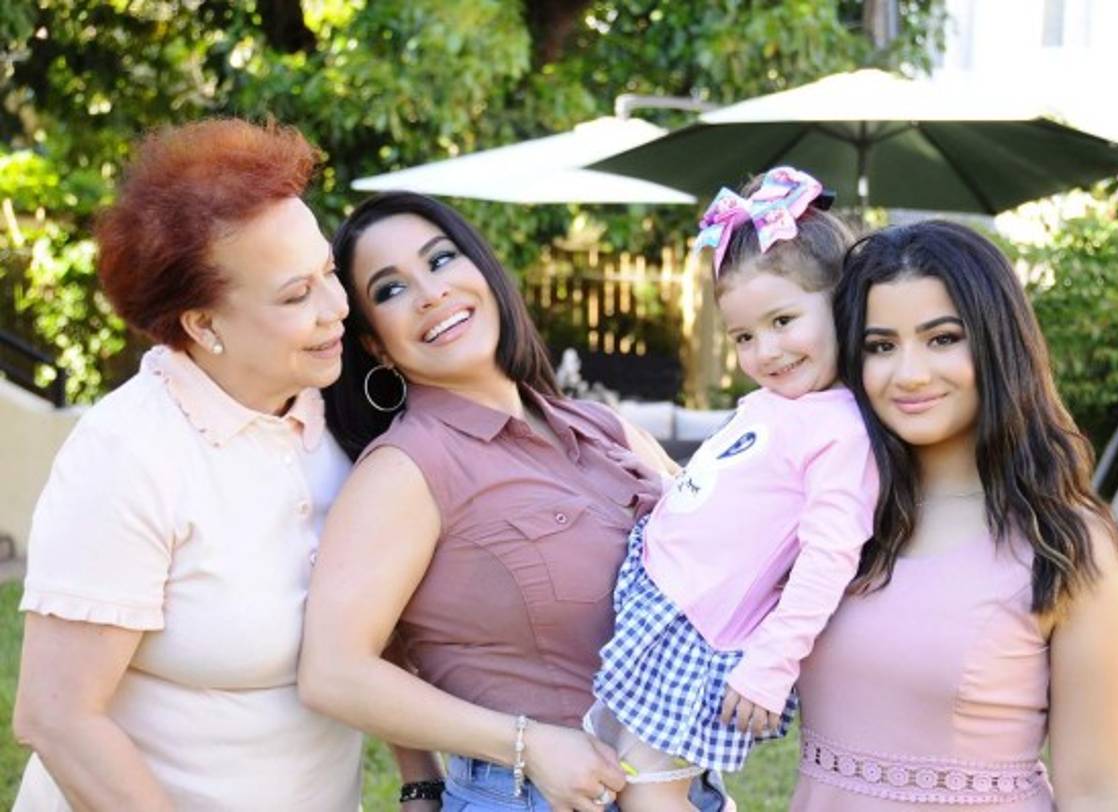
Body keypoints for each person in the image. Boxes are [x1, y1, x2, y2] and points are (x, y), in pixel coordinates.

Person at [298, 191, 730, 812]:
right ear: (376, 345)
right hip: (535, 796)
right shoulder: (406, 469)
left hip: (682, 788)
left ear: (483, 270)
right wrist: (528, 744)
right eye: (391, 290)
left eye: (440, 260)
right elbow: (333, 672)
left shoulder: (601, 427)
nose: (431, 293)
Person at [11, 119, 362, 810]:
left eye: (329, 272)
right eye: (296, 295)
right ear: (203, 325)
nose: (338, 307)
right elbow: (56, 717)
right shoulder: (129, 452)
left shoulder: (340, 407)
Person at [790, 220, 1118, 810]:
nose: (909, 374)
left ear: (998, 344)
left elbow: (1101, 792)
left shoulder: (1070, 547)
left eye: (942, 339)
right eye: (881, 346)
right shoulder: (831, 518)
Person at [584, 167, 879, 811]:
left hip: (698, 630)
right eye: (745, 336)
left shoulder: (842, 432)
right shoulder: (776, 401)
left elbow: (829, 555)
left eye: (783, 320)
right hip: (661, 596)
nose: (766, 351)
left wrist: (773, 663)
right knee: (617, 770)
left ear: (842, 306)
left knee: (646, 790)